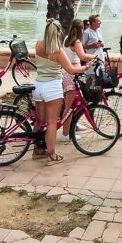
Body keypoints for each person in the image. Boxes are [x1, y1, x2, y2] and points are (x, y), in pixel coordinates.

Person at [33, 19, 87, 164]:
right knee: (51, 123)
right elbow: (72, 69)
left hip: (38, 86)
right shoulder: (58, 50)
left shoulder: (38, 44)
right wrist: (85, 67)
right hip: (52, 88)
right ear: (58, 33)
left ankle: (37, 149)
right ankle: (51, 154)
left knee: (40, 120)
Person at [60, 19, 97, 142]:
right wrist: (96, 57)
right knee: (69, 105)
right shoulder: (76, 41)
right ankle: (65, 134)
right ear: (81, 30)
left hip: (67, 72)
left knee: (74, 102)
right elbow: (83, 56)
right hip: (71, 74)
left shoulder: (66, 39)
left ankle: (73, 125)